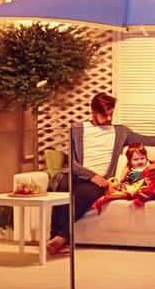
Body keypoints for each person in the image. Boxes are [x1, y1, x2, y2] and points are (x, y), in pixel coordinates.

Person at [49, 91, 148, 256]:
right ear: (93, 112)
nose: (109, 119)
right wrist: (91, 175)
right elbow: (72, 163)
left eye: (111, 114)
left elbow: (147, 139)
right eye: (105, 115)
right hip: (76, 175)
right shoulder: (78, 129)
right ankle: (54, 237)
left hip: (99, 182)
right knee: (62, 189)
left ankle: (60, 238)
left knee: (83, 195)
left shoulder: (120, 131)